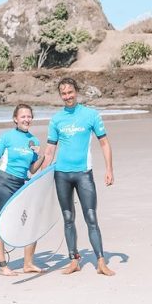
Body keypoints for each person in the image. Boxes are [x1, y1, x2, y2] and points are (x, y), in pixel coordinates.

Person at [42, 77, 116, 276]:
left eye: (70, 92)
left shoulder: (90, 115)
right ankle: (73, 260)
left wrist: (109, 169)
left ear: (76, 91)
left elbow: (104, 143)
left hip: (84, 174)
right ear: (60, 95)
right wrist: (38, 174)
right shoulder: (56, 119)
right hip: (62, 175)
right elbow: (50, 151)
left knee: (91, 217)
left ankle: (101, 262)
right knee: (68, 218)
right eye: (64, 94)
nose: (67, 96)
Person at [0, 104, 45, 276]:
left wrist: (42, 158)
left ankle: (28, 263)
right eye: (23, 116)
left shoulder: (34, 141)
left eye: (29, 116)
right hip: (3, 182)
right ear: (15, 119)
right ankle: (3, 266)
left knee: (31, 221)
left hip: (21, 184)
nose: (27, 119)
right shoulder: (6, 137)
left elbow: (32, 170)